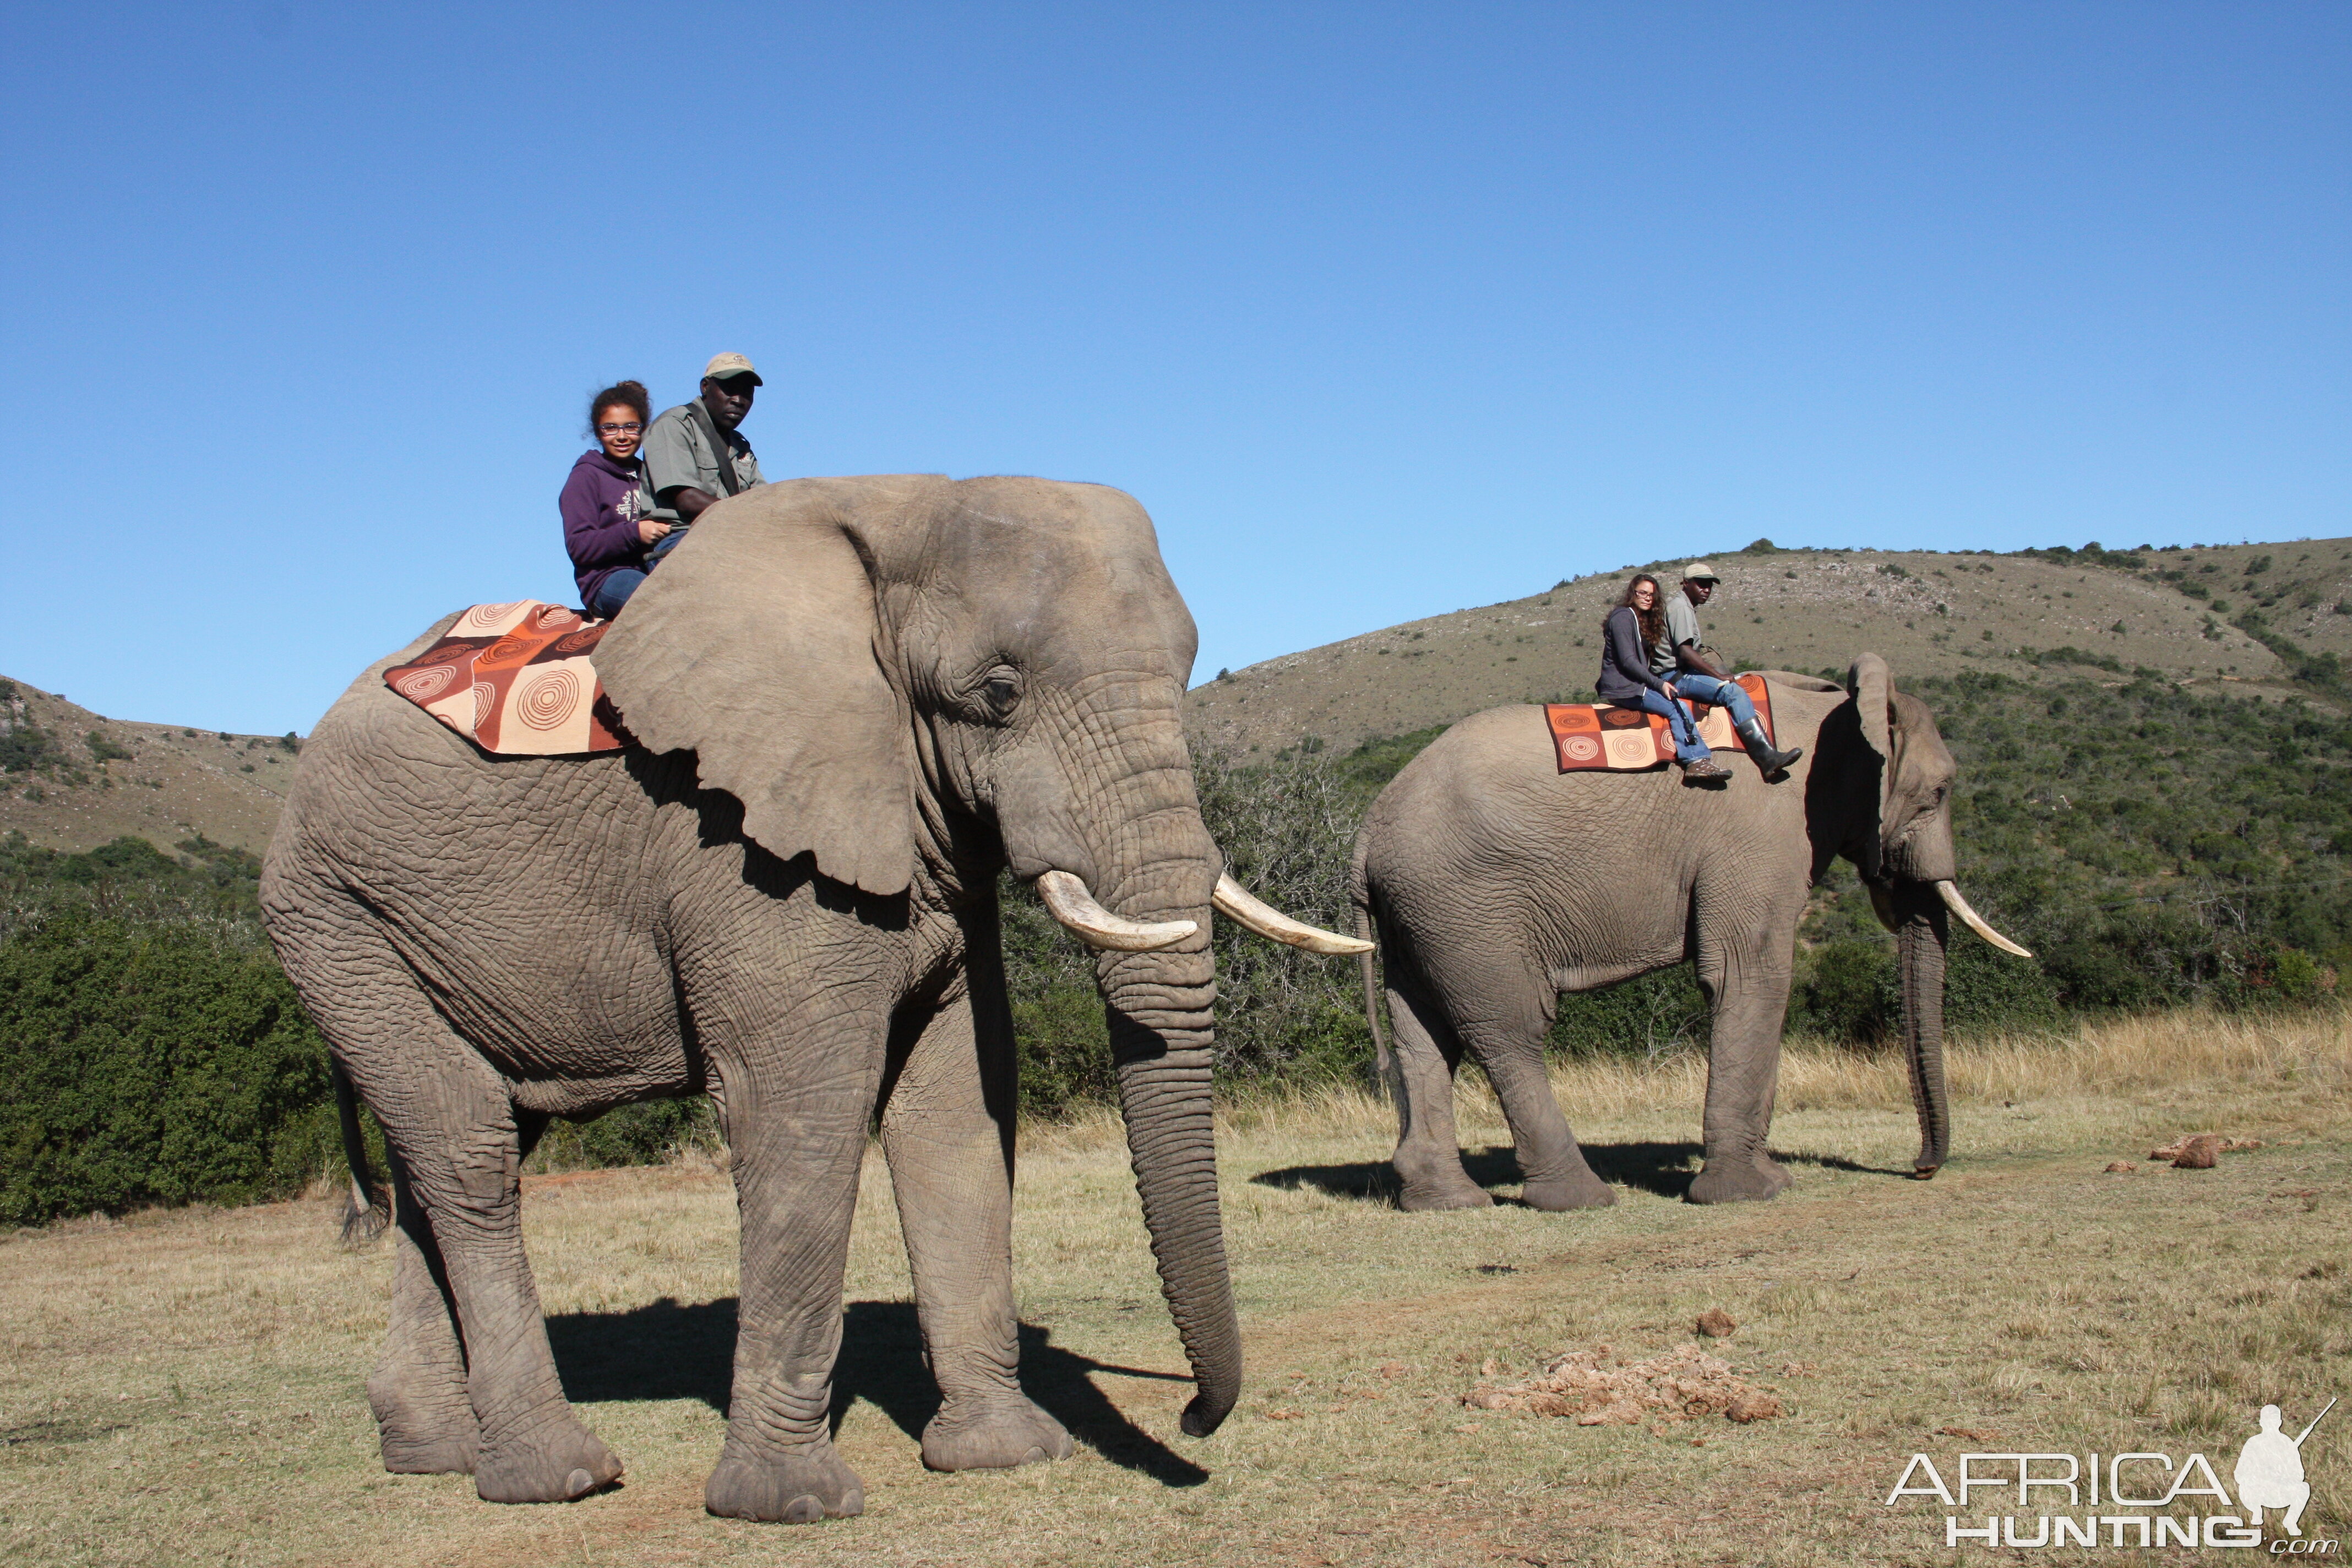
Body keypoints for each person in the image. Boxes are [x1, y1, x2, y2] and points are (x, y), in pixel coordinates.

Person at [1652, 561, 1804, 781]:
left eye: (1710, 585)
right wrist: (1718, 676)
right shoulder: (1681, 608)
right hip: (1675, 677)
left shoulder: (1682, 606)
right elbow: (1685, 651)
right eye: (1701, 584)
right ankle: (1766, 756)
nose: (1707, 589)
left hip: (1678, 673)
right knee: (1733, 692)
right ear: (1686, 584)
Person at [1599, 573, 1728, 782]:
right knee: (1678, 708)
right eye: (1643, 593)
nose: (1648, 598)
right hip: (1625, 687)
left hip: (1635, 684)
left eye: (1652, 595)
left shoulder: (1640, 620)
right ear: (1633, 593)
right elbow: (1628, 661)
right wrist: (1660, 684)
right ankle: (1696, 760)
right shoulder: (1622, 617)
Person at [641, 352, 766, 560]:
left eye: (747, 393)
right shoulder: (674, 425)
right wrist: (746, 517)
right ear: (705, 387)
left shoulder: (741, 446)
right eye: (730, 389)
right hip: (680, 537)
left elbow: (763, 501)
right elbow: (687, 500)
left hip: (732, 534)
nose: (738, 400)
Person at [561, 380, 662, 619]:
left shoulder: (651, 473)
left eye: (630, 427)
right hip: (606, 580)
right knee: (654, 599)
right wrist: (634, 533)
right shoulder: (586, 476)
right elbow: (578, 545)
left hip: (651, 569)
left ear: (643, 429)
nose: (621, 436)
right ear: (597, 432)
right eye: (610, 428)